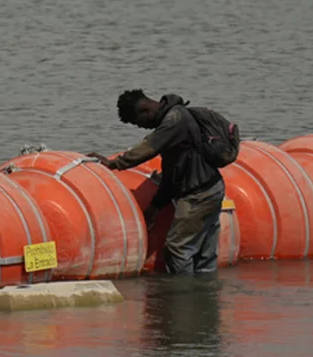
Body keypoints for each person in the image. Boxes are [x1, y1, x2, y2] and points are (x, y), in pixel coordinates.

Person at [87, 90, 225, 275]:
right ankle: (204, 297)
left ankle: (183, 297)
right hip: (211, 188)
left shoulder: (174, 121)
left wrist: (114, 163)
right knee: (204, 255)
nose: (142, 128)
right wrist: (156, 205)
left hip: (197, 196)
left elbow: (148, 148)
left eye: (138, 123)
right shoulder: (177, 117)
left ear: (145, 110)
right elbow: (172, 174)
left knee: (178, 250)